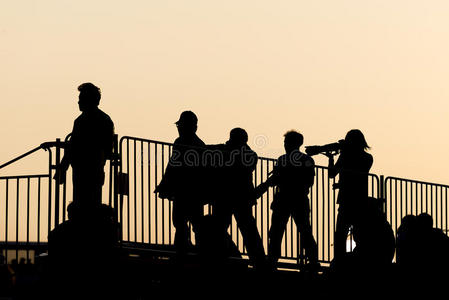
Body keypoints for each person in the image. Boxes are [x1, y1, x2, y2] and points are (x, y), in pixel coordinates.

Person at [256, 130, 318, 270]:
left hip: (283, 199)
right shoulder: (307, 160)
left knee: (277, 231)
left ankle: (272, 260)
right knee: (304, 230)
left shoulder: (283, 159)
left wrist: (264, 187)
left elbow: (275, 178)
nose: (284, 145)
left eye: (286, 142)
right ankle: (313, 260)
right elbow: (309, 181)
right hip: (300, 199)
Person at [210, 128, 267, 268]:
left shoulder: (240, 154)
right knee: (246, 229)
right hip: (239, 197)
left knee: (223, 228)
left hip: (228, 196)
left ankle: (225, 256)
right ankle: (257, 260)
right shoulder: (248, 154)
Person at [55, 83, 115, 214]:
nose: (78, 101)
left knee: (82, 202)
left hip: (84, 168)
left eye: (81, 98)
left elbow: (73, 146)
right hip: (94, 167)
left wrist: (62, 167)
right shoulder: (105, 119)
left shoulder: (82, 121)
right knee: (91, 202)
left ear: (89, 100)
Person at [155, 111, 206, 258]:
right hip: (189, 190)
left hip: (187, 190)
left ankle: (185, 249)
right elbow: (173, 165)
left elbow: (174, 166)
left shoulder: (185, 143)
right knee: (185, 221)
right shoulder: (195, 144)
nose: (178, 127)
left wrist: (165, 184)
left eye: (180, 124)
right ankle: (188, 248)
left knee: (184, 220)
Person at [327, 129, 373, 262]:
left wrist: (335, 157)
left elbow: (332, 174)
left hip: (348, 200)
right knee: (359, 234)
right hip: (359, 200)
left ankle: (340, 261)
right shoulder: (367, 157)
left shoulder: (350, 157)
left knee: (343, 234)